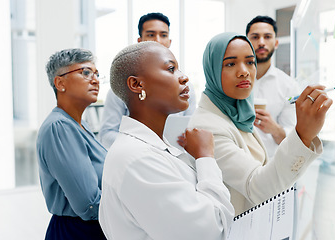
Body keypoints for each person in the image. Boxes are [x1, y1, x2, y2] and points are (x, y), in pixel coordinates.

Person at [98, 41, 234, 240]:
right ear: (137, 85)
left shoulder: (151, 149)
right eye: (171, 69)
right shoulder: (138, 159)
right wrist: (205, 157)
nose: (184, 77)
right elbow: (212, 231)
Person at [188, 32, 333, 216]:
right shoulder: (208, 127)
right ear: (212, 70)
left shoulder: (239, 114)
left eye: (250, 62)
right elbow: (257, 187)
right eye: (231, 64)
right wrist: (303, 135)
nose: (244, 71)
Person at [98, 12, 196, 149]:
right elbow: (106, 135)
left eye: (163, 35)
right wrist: (148, 145)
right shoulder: (120, 88)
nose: (158, 40)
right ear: (140, 41)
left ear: (169, 41)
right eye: (151, 35)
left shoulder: (185, 87)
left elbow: (190, 127)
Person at [37, 48, 107, 239]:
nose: (95, 80)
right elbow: (88, 205)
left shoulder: (80, 124)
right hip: (78, 231)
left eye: (97, 74)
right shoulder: (59, 127)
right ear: (60, 83)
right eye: (85, 73)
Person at [246, 15, 301, 158]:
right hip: (234, 163)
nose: (261, 42)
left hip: (270, 167)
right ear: (246, 42)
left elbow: (294, 140)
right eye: (255, 37)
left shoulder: (289, 86)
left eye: (267, 36)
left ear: (276, 43)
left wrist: (274, 129)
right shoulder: (231, 79)